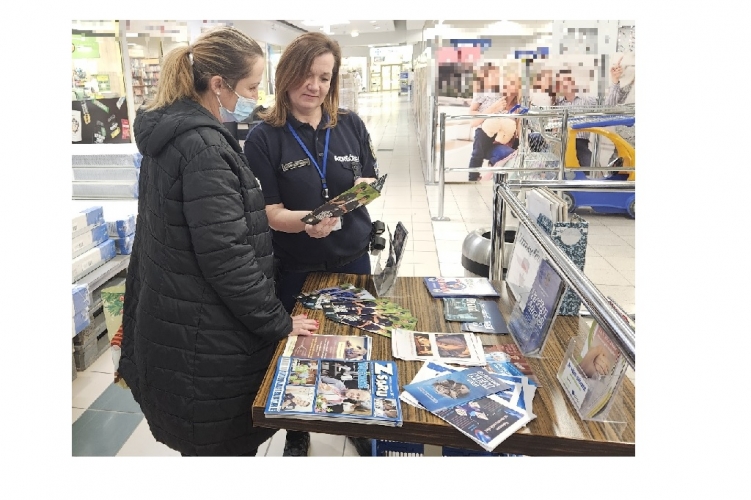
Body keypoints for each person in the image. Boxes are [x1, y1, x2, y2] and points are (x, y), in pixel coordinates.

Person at [117, 27, 319, 457]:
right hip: (206, 337)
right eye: (252, 86)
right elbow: (228, 260)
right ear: (218, 85)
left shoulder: (172, 135)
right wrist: (279, 322)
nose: (256, 97)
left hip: (179, 319)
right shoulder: (204, 148)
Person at [243, 32, 379, 457]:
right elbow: (270, 212)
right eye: (306, 75)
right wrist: (309, 223)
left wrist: (358, 195)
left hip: (353, 260)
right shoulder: (264, 137)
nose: (314, 86)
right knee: (299, 351)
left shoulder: (350, 124)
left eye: (324, 77)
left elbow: (368, 180)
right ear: (286, 75)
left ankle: (355, 416)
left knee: (355, 344)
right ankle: (297, 427)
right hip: (296, 267)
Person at [467, 63, 522, 181]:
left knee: (512, 152)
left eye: (497, 76)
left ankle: (505, 176)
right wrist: (492, 110)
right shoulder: (482, 93)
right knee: (478, 153)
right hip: (483, 130)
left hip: (500, 136)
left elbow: (515, 128)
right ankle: (473, 177)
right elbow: (472, 115)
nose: (496, 79)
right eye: (492, 76)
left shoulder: (502, 96)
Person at [554, 69, 598, 167]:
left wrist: (615, 81)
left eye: (568, 80)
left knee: (590, 165)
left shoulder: (586, 101)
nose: (566, 83)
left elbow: (607, 104)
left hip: (580, 142)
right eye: (561, 82)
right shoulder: (557, 104)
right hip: (562, 142)